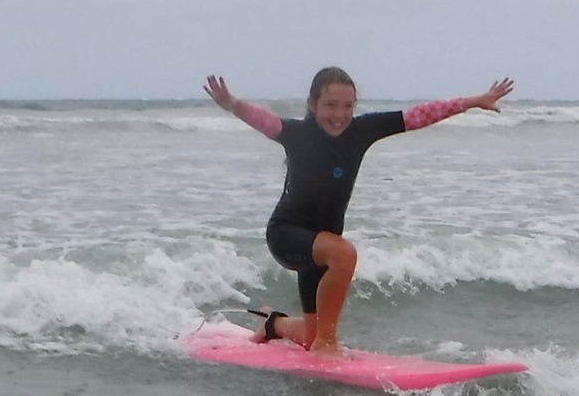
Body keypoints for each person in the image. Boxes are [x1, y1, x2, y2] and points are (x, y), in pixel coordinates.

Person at [204, 67, 514, 354]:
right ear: (312, 104)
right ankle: (327, 345)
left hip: (322, 251)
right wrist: (231, 103)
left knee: (310, 334)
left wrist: (473, 101)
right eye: (330, 105)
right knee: (345, 255)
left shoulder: (362, 131)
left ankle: (273, 324)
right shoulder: (297, 134)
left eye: (347, 106)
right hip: (288, 236)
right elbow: (262, 119)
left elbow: (420, 115)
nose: (339, 115)